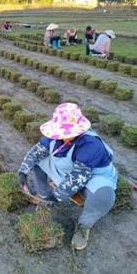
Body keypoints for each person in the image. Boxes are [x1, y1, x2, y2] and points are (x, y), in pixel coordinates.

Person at [17, 103, 118, 250]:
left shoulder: (91, 145)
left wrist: (57, 195)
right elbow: (36, 152)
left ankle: (84, 225)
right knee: (38, 162)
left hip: (94, 176)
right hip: (69, 169)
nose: (62, 135)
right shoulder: (55, 137)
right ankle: (45, 198)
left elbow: (79, 176)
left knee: (104, 196)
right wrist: (23, 171)